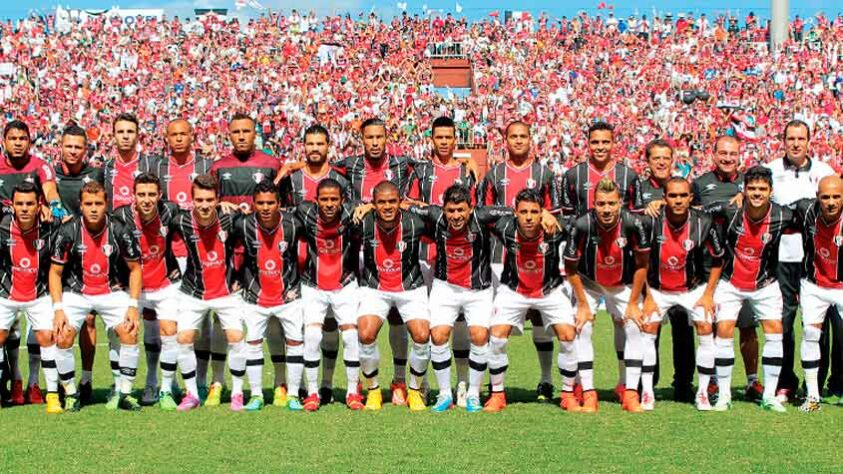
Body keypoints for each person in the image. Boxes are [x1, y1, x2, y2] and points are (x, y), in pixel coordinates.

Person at [407, 184, 527, 412]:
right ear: (443, 209)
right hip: (445, 287)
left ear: (471, 208)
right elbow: (406, 209)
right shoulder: (435, 216)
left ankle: (473, 393)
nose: (456, 216)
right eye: (451, 211)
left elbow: (513, 210)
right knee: (438, 335)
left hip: (478, 289)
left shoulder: (482, 217)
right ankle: (444, 394)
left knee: (479, 336)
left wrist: (546, 215)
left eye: (461, 210)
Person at [476, 120, 560, 403]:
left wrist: (547, 214)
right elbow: (484, 212)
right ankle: (495, 384)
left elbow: (555, 215)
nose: (518, 140)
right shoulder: (494, 174)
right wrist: (509, 219)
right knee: (497, 322)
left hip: (538, 256)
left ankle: (546, 380)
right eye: (513, 136)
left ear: (530, 139)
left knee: (539, 316)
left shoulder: (545, 174)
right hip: (500, 256)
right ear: (506, 141)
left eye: (523, 135)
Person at [207, 113, 282, 407]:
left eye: (246, 131)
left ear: (255, 134)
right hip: (227, 254)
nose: (241, 136)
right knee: (221, 321)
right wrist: (217, 204)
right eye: (235, 131)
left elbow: (282, 207)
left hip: (263, 254)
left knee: (273, 320)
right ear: (229, 134)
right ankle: (217, 381)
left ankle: (280, 383)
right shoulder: (218, 167)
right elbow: (205, 204)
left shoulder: (270, 164)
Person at [49, 181, 143, 412]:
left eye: (98, 203)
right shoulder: (68, 231)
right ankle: (71, 393)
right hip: (76, 293)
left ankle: (125, 393)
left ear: (106, 204)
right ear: (80, 206)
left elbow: (135, 269)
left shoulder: (120, 229)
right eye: (88, 203)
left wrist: (132, 305)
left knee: (129, 331)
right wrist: (58, 308)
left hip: (112, 291)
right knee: (63, 336)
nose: (93, 208)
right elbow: (55, 272)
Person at [483, 189, 576, 413]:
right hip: (514, 290)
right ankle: (497, 394)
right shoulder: (505, 226)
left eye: (534, 212)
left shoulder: (555, 228)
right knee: (496, 336)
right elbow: (480, 212)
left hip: (549, 290)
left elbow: (582, 221)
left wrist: (553, 215)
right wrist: (508, 210)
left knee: (569, 336)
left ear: (542, 212)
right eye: (523, 211)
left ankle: (568, 394)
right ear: (515, 213)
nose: (528, 217)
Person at [405, 116, 476, 408]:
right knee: (426, 326)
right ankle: (419, 385)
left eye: (449, 137)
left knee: (457, 323)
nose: (444, 142)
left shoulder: (466, 173)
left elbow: (474, 211)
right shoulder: (421, 170)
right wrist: (431, 210)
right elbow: (407, 204)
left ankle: (461, 385)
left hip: (457, 259)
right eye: (439, 137)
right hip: (424, 256)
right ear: (431, 139)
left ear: (455, 139)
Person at [564, 177, 652, 413]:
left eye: (611, 204)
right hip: (589, 282)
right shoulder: (581, 224)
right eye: (601, 204)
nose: (606, 209)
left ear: (620, 203)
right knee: (582, 327)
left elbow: (643, 264)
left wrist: (634, 302)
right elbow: (570, 267)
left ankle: (630, 392)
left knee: (634, 325)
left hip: (622, 283)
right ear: (593, 203)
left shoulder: (635, 223)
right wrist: (582, 303)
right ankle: (589, 392)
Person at [709, 166, 793, 412]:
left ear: (771, 191)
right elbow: (697, 212)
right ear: (743, 190)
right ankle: (724, 396)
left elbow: (811, 212)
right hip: (730, 282)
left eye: (762, 189)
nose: (757, 193)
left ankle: (769, 395)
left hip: (765, 284)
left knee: (774, 331)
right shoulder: (729, 211)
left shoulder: (783, 215)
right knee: (723, 329)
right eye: (752, 189)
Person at [764, 120, 836, 403]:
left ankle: (815, 382)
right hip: (780, 256)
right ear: (783, 140)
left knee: (816, 322)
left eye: (801, 138)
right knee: (783, 320)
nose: (795, 143)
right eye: (790, 138)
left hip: (814, 257)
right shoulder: (771, 170)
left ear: (809, 141)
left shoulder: (824, 172)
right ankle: (785, 382)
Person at [164, 174, 250, 412]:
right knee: (183, 338)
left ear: (217, 199)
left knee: (235, 337)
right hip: (193, 291)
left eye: (209, 200)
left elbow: (250, 243)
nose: (204, 205)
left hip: (226, 292)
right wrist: (172, 269)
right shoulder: (180, 221)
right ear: (191, 199)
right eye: (199, 199)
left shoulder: (230, 219)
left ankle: (236, 392)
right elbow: (164, 241)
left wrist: (241, 278)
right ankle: (192, 393)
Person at [279, 125, 350, 404]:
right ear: (303, 146)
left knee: (330, 327)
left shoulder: (340, 179)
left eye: (320, 143)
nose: (315, 148)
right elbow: (277, 210)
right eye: (310, 143)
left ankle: (327, 383)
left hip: (331, 264)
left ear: (329, 146)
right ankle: (289, 384)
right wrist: (281, 175)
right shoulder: (293, 179)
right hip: (296, 263)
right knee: (300, 327)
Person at [642, 177, 724, 411]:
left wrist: (708, 295)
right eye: (673, 196)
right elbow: (641, 261)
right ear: (664, 198)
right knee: (648, 329)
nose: (678, 200)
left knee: (706, 328)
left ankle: (702, 393)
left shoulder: (704, 221)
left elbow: (718, 259)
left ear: (690, 198)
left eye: (682, 196)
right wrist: (647, 297)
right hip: (657, 290)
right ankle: (647, 392)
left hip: (692, 289)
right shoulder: (652, 221)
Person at [691, 135, 763, 402]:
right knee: (709, 328)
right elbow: (694, 214)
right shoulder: (699, 184)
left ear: (739, 156)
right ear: (713, 154)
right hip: (709, 266)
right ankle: (710, 380)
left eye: (732, 154)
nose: (727, 158)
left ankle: (752, 381)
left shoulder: (751, 185)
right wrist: (720, 207)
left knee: (746, 327)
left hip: (740, 267)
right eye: (723, 153)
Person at [0, 120, 62, 405]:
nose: (17, 142)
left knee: (40, 327)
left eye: (22, 138)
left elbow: (50, 191)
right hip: (4, 247)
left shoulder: (40, 166)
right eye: (12, 138)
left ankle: (36, 384)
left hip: (33, 242)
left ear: (29, 141)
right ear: (4, 141)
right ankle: (15, 381)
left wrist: (52, 207)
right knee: (8, 328)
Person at [355, 181, 431, 411]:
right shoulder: (363, 222)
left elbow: (439, 214)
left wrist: (412, 204)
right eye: (381, 202)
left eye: (392, 201)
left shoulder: (415, 222)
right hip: (374, 286)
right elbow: (335, 209)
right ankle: (374, 390)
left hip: (410, 286)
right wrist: (362, 207)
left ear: (400, 202)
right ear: (373, 203)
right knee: (366, 333)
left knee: (421, 334)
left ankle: (415, 390)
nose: (387, 206)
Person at [232, 179, 305, 412]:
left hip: (289, 297)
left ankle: (293, 394)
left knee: (295, 343)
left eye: (270, 203)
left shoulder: (294, 224)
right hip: (255, 297)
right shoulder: (242, 225)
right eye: (261, 203)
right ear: (253, 204)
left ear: (279, 204)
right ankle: (256, 395)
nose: (265, 208)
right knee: (252, 344)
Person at [112, 173, 183, 409]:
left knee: (169, 331)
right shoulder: (121, 215)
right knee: (128, 331)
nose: (146, 199)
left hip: (165, 283)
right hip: (134, 287)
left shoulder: (171, 211)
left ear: (160, 195)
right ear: (133, 195)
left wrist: (226, 207)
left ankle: (163, 387)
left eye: (152, 194)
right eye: (141, 194)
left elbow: (198, 218)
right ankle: (121, 388)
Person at [294, 178, 364, 410]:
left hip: (345, 284)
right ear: (316, 201)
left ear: (342, 200)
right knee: (312, 336)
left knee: (351, 337)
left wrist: (370, 206)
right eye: (324, 199)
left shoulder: (351, 214)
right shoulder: (305, 213)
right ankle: (313, 392)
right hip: (314, 285)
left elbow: (372, 206)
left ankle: (353, 391)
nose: (329, 204)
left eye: (334, 199)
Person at [638, 139, 697, 401]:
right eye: (656, 158)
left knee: (683, 328)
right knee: (649, 327)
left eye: (666, 158)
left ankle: (683, 382)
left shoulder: (684, 187)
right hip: (650, 273)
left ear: (672, 160)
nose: (661, 162)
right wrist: (644, 211)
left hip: (682, 271)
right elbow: (626, 218)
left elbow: (696, 215)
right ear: (648, 162)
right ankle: (648, 381)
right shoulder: (638, 190)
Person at [54, 124, 104, 405]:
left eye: (78, 147)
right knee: (60, 319)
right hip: (59, 254)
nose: (73, 151)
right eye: (68, 146)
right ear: (60, 146)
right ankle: (62, 382)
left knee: (88, 319)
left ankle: (86, 378)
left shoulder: (95, 174)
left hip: (90, 255)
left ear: (86, 149)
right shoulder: (52, 175)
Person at [794, 176, 843, 412]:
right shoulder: (806, 211)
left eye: (836, 196)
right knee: (810, 334)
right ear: (817, 197)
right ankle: (812, 396)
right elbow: (775, 211)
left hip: (842, 287)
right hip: (814, 285)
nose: (831, 202)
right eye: (826, 197)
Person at [102, 113, 159, 211]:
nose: (125, 136)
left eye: (130, 131)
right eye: (120, 132)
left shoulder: (152, 165)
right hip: (115, 224)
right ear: (114, 136)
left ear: (137, 136)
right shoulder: (105, 168)